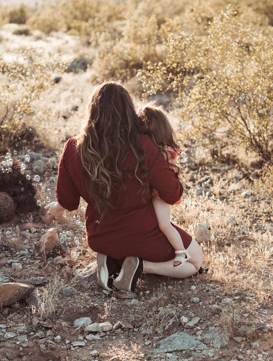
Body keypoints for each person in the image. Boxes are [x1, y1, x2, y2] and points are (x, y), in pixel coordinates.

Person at [56, 82, 203, 293]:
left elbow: (68, 202)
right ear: (128, 110)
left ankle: (112, 260)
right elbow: (173, 194)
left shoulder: (73, 147)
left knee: (116, 243)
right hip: (144, 237)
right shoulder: (144, 145)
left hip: (100, 237)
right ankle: (143, 266)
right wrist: (169, 164)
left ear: (92, 111)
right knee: (195, 262)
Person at [138, 105, 188, 264]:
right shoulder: (160, 148)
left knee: (164, 224)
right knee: (159, 222)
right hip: (154, 190)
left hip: (159, 193)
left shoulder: (163, 150)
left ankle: (181, 252)